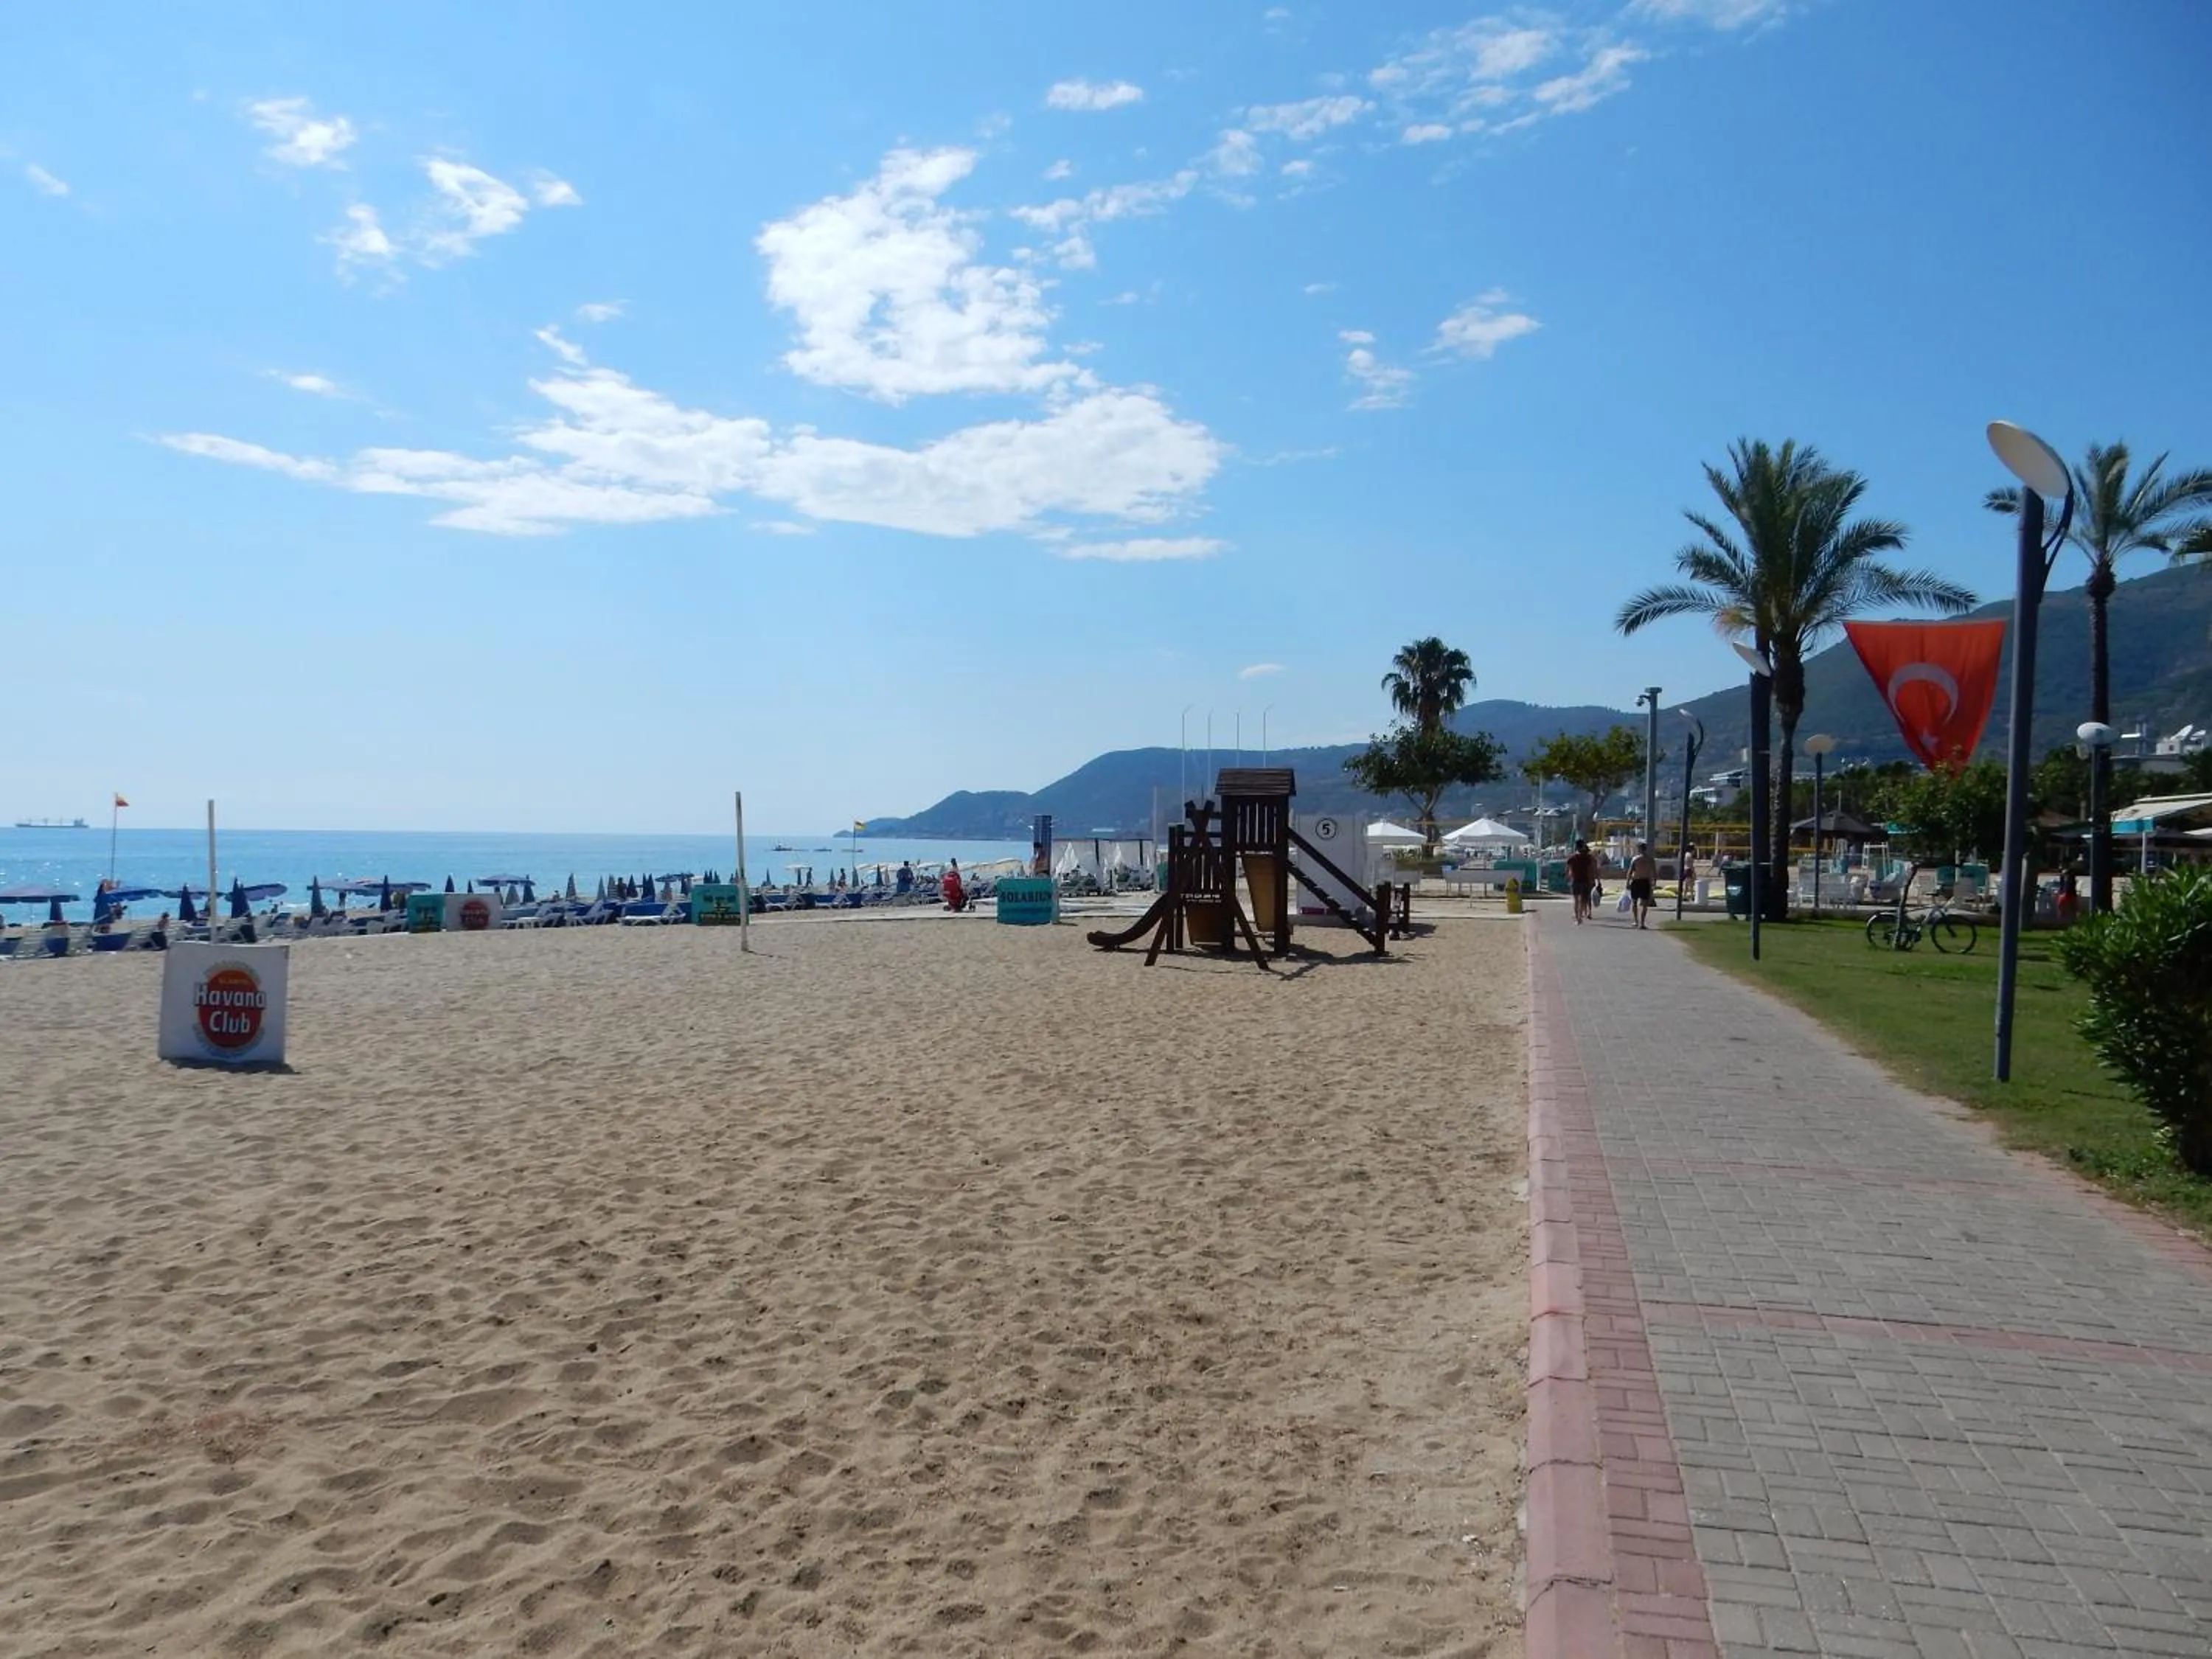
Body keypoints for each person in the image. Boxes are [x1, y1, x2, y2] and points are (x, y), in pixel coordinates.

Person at [1566, 839, 1598, 924]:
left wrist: (1569, 878)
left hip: (1575, 880)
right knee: (1583, 900)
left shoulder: (1572, 858)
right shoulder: (1587, 858)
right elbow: (1591, 870)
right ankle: (1581, 915)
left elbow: (1568, 870)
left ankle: (1578, 918)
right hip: (1585, 880)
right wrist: (1593, 880)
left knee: (1576, 900)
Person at [1628, 842, 1658, 930]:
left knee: (1635, 902)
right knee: (1644, 903)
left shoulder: (1635, 859)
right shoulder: (1650, 860)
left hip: (1637, 881)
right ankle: (1642, 922)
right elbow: (1654, 872)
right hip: (1645, 881)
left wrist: (1628, 882)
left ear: (1639, 849)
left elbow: (1630, 872)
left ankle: (1636, 921)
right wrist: (1654, 882)